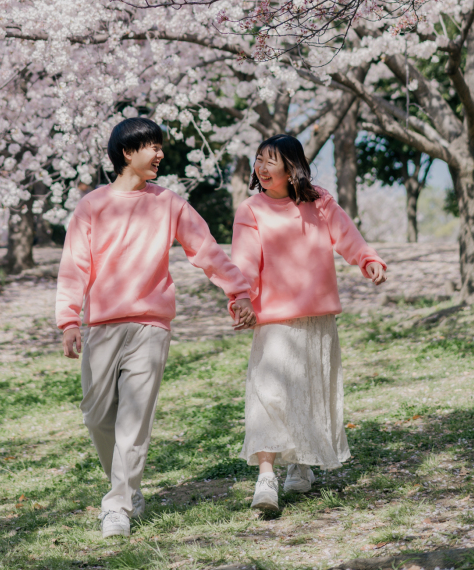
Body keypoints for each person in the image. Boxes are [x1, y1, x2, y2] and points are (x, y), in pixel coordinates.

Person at [55, 116, 255, 538]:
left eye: (161, 147)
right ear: (128, 152)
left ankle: (118, 505)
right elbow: (75, 265)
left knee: (133, 419)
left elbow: (205, 249)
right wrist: (68, 319)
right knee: (96, 416)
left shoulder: (168, 203)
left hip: (150, 325)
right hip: (102, 326)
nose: (161, 154)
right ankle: (124, 485)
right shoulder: (92, 205)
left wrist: (237, 291)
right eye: (153, 147)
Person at [231, 133, 388, 514]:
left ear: (291, 166)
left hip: (316, 316)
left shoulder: (319, 202)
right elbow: (244, 261)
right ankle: (266, 477)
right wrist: (241, 298)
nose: (262, 168)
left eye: (271, 161)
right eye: (258, 160)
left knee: (307, 390)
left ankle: (300, 466)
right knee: (267, 394)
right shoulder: (250, 210)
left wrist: (367, 259)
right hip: (273, 319)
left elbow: (347, 236)